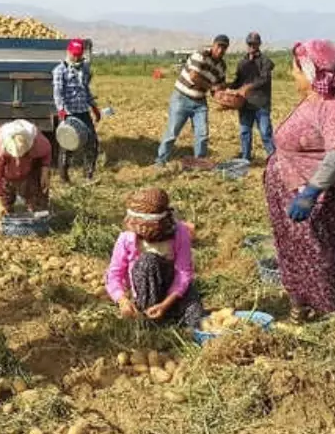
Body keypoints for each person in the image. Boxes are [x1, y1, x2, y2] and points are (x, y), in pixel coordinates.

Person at [265, 39, 335, 322]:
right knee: (292, 250)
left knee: (318, 253)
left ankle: (332, 315)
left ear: (310, 73)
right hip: (289, 186)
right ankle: (301, 307)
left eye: (295, 71)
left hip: (317, 195)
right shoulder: (316, 98)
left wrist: (310, 192)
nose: (291, 75)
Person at [105, 188, 204, 328]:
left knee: (196, 318)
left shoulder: (179, 233)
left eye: (146, 226)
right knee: (148, 261)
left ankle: (170, 316)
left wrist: (166, 304)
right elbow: (114, 274)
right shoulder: (127, 238)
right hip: (146, 292)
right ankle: (149, 318)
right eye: (138, 225)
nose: (142, 230)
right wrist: (122, 300)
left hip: (172, 292)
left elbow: (183, 272)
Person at [154, 35, 229, 167]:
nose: (221, 50)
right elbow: (194, 76)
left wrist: (223, 98)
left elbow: (217, 87)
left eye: (224, 47)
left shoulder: (222, 66)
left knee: (202, 134)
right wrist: (212, 87)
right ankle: (160, 161)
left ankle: (199, 164)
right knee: (172, 132)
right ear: (213, 45)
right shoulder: (200, 54)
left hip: (200, 101)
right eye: (219, 46)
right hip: (182, 97)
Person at [52, 39, 100, 183]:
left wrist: (94, 106)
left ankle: (88, 176)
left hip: (83, 111)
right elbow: (58, 93)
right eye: (74, 55)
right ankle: (64, 179)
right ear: (68, 52)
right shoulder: (60, 70)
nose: (76, 57)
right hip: (69, 113)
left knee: (92, 143)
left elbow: (85, 89)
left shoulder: (84, 68)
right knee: (68, 145)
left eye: (79, 55)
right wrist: (61, 110)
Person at [0, 120, 52, 222]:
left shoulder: (38, 142)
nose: (18, 161)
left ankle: (37, 213)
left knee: (39, 209)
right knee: (3, 211)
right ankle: (4, 211)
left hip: (30, 170)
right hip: (6, 174)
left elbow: (47, 151)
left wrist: (45, 170)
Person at [231, 32, 276, 161]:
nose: (252, 46)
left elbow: (264, 79)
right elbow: (237, 82)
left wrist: (247, 87)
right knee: (245, 132)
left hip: (261, 104)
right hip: (245, 104)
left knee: (265, 133)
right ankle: (246, 159)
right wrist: (225, 87)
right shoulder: (242, 62)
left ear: (259, 44)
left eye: (254, 43)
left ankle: (274, 160)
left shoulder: (265, 62)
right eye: (249, 43)